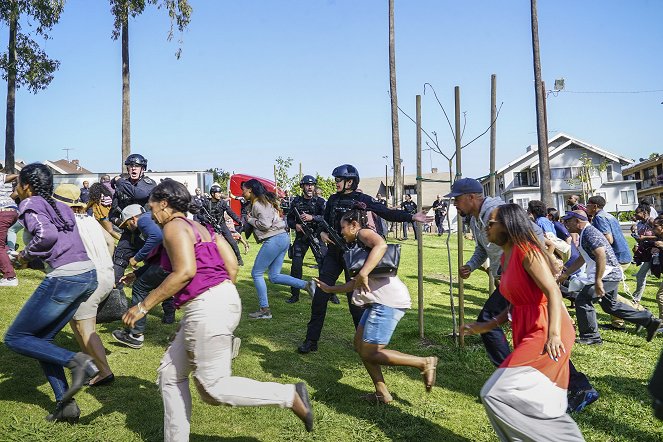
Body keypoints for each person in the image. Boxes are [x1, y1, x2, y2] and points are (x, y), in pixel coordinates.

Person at [121, 179, 314, 440]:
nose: (150, 211)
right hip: (221, 298)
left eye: (152, 205)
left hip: (209, 304)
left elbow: (185, 272)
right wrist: (205, 307)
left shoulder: (174, 227)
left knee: (213, 389)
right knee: (170, 374)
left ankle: (289, 396)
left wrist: (143, 306)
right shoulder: (200, 227)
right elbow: (232, 266)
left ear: (164, 204)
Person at [450, 178, 598, 413]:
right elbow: (483, 249)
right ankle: (566, 385)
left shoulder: (498, 214)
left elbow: (530, 234)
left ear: (471, 197)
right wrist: (471, 265)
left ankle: (513, 373)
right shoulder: (478, 221)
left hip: (528, 291)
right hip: (513, 285)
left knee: (512, 384)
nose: (454, 204)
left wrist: (545, 261)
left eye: (456, 199)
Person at [464, 204, 584, 442]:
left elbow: (552, 291)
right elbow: (514, 302)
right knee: (536, 400)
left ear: (508, 225)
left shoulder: (527, 252)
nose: (486, 228)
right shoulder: (507, 258)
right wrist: (487, 325)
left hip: (546, 329)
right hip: (527, 328)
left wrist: (554, 335)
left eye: (491, 223)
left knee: (495, 394)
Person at [298, 164, 431, 354]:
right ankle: (311, 341)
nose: (335, 183)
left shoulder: (362, 199)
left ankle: (361, 343)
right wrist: (322, 234)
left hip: (354, 256)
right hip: (333, 255)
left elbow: (386, 212)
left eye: (338, 180)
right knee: (320, 297)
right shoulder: (333, 199)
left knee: (356, 300)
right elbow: (323, 221)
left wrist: (411, 217)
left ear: (349, 181)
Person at [4, 163, 99, 423]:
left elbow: (46, 236)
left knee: (15, 338)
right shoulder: (61, 206)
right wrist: (31, 259)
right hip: (87, 275)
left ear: (27, 186)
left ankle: (76, 361)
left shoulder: (31, 204)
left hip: (65, 277)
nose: (16, 188)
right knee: (41, 341)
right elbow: (60, 241)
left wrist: (24, 255)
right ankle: (65, 405)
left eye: (18, 183)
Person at [314, 205, 438, 403]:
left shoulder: (364, 233)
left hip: (388, 301)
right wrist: (330, 290)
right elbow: (354, 284)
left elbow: (381, 245)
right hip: (377, 302)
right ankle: (382, 393)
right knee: (360, 345)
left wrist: (363, 273)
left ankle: (423, 362)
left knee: (371, 352)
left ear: (354, 226)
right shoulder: (359, 248)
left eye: (343, 227)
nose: (341, 232)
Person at [559, 210, 662, 344]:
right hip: (609, 273)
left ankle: (591, 336)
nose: (565, 224)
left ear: (578, 221)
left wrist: (598, 280)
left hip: (608, 274)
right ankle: (649, 321)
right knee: (610, 306)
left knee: (583, 300)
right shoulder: (584, 233)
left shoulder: (589, 232)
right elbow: (582, 258)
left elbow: (601, 254)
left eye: (568, 221)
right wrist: (566, 274)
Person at [53, 184, 115, 387]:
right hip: (106, 274)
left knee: (86, 328)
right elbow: (110, 243)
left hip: (87, 279)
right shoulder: (89, 219)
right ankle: (89, 363)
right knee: (76, 321)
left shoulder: (64, 223)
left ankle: (104, 372)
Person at [241, 179, 316, 319]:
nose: (242, 193)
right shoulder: (264, 201)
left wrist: (250, 220)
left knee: (257, 273)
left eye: (244, 190)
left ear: (250, 190)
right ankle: (306, 285)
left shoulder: (258, 203)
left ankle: (264, 310)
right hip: (282, 238)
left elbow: (265, 224)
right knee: (274, 276)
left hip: (274, 239)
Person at [112, 203, 175, 349]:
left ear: (133, 218)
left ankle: (135, 334)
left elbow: (157, 237)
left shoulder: (143, 219)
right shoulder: (151, 220)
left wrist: (137, 258)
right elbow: (158, 256)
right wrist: (136, 273)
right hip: (171, 261)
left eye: (127, 224)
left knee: (140, 287)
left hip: (170, 262)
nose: (127, 228)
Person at [109, 153, 156, 285]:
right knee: (117, 265)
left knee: (156, 267)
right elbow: (112, 215)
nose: (134, 169)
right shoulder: (122, 186)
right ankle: (115, 299)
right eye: (131, 166)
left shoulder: (148, 184)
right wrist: (122, 224)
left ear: (143, 169)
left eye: (137, 166)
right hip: (129, 235)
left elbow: (140, 194)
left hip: (147, 234)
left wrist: (118, 181)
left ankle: (168, 304)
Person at [286, 175, 326, 304]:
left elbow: (326, 218)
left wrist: (312, 218)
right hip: (301, 238)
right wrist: (295, 225)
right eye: (307, 185)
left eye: (312, 185)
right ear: (302, 187)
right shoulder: (296, 202)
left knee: (324, 264)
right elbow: (290, 219)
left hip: (316, 236)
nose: (310, 187)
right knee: (296, 266)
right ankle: (295, 294)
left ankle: (329, 293)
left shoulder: (320, 202)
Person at [197, 184, 244, 266]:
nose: (219, 194)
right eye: (218, 193)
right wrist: (205, 219)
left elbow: (230, 212)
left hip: (221, 224)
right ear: (212, 194)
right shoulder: (206, 203)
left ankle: (239, 259)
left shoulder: (222, 203)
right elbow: (199, 215)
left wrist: (238, 220)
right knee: (208, 244)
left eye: (220, 193)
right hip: (209, 226)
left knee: (232, 242)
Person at [631, 204, 657, 303]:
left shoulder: (651, 221)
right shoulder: (640, 223)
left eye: (637, 213)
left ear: (644, 212)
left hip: (656, 252)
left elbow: (660, 235)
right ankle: (636, 298)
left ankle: (636, 298)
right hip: (648, 253)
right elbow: (640, 239)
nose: (635, 215)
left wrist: (645, 238)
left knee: (642, 275)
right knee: (640, 275)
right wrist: (636, 240)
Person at [0, 164, 19, 286]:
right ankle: (9, 255)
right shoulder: (2, 176)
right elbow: (16, 175)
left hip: (3, 212)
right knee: (2, 244)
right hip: (12, 210)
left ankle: (9, 277)